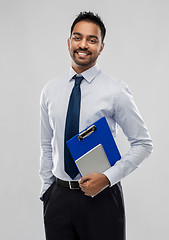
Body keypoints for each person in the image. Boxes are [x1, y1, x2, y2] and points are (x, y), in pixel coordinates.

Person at [39, 11, 153, 240]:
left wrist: (108, 178)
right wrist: (47, 190)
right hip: (59, 198)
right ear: (69, 41)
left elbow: (143, 144)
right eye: (77, 37)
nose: (83, 45)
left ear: (101, 47)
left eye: (92, 40)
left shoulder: (115, 91)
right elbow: (46, 143)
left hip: (101, 198)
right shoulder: (50, 90)